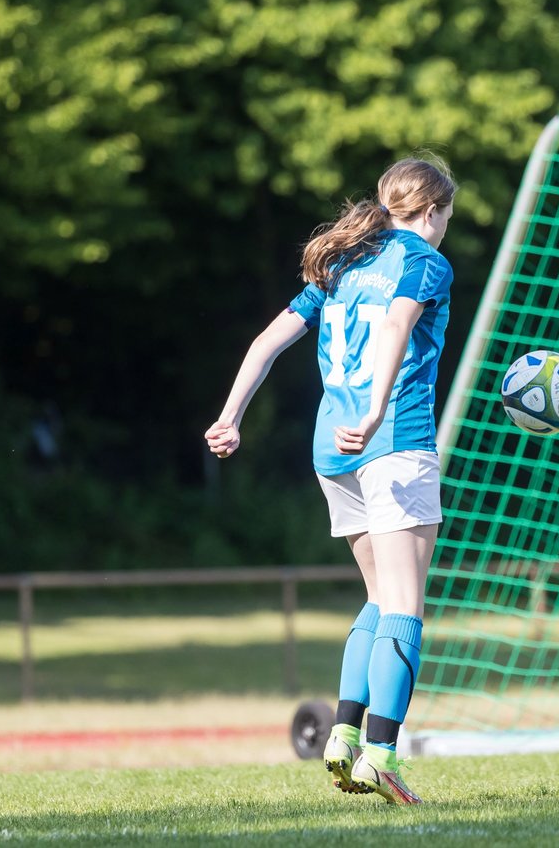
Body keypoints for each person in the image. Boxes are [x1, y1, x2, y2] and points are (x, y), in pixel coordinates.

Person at [205, 155, 456, 805]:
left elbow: (266, 342)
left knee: (378, 599)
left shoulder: (344, 262)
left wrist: (231, 417)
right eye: (447, 216)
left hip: (331, 451)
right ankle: (380, 754)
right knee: (405, 604)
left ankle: (342, 737)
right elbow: (398, 325)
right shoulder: (423, 260)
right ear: (432, 211)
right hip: (390, 441)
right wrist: (375, 413)